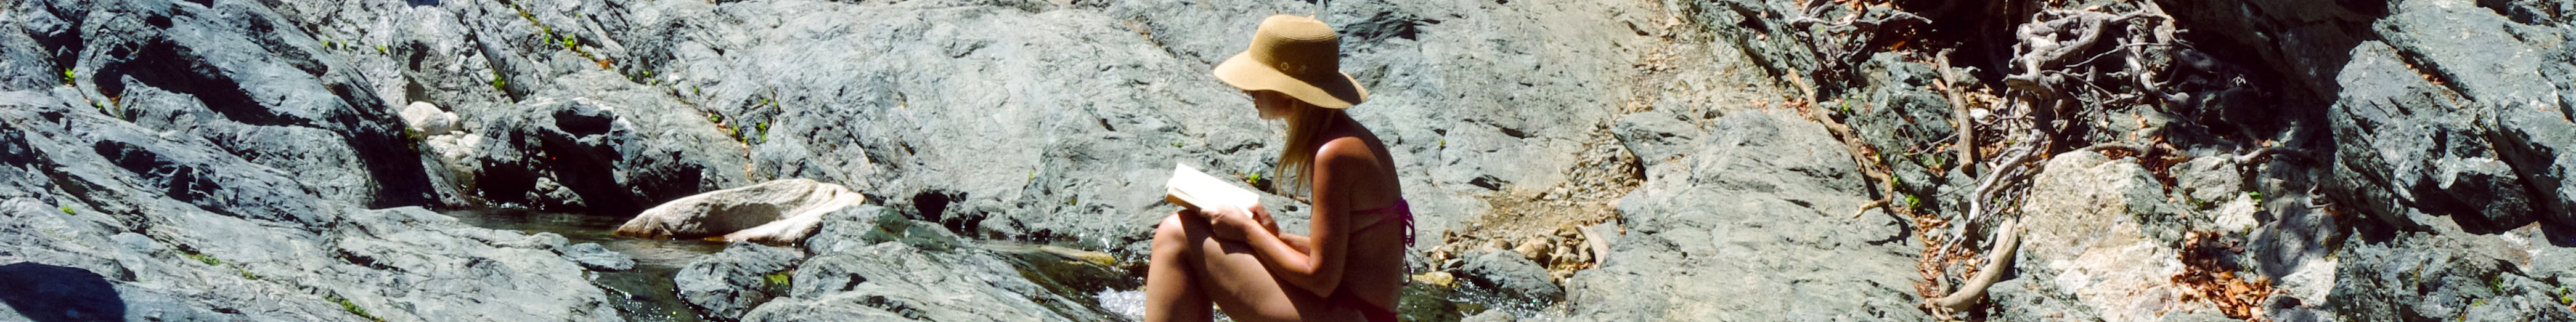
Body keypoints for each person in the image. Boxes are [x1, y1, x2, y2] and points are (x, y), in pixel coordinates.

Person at [1144, 15, 1414, 322]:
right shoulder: (1350, 139)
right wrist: (1273, 235)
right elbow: (1338, 259)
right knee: (1190, 230)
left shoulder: (1334, 154)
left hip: (1351, 314)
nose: (1249, 93)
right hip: (1357, 311)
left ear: (1288, 91)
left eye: (1257, 83)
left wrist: (1247, 231)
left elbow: (1321, 279)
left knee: (1176, 234)